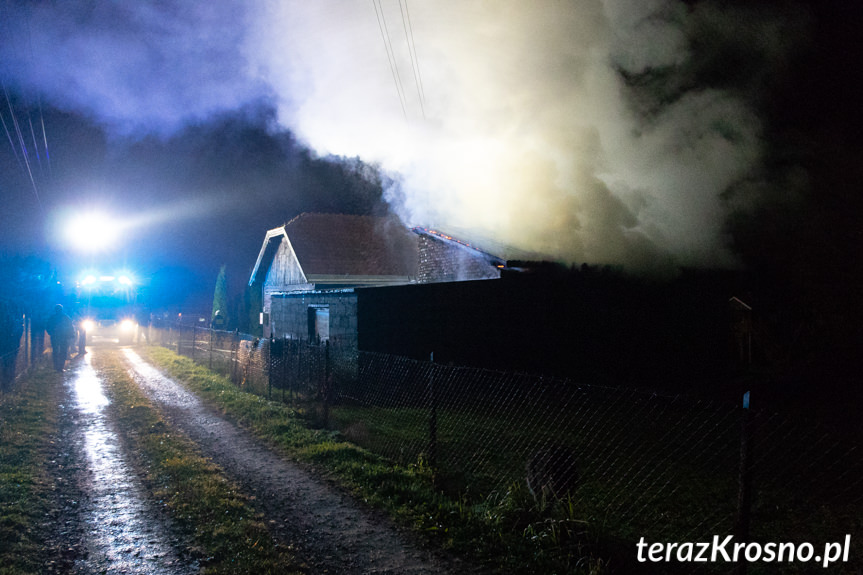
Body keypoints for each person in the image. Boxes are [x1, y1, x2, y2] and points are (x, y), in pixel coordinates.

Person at [45, 304, 75, 372]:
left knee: (55, 351)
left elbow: (48, 327)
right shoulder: (66, 317)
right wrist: (71, 334)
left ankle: (56, 366)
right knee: (63, 352)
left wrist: (51, 333)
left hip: (55, 337)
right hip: (63, 337)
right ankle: (61, 367)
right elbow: (70, 326)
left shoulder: (52, 317)